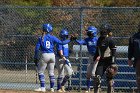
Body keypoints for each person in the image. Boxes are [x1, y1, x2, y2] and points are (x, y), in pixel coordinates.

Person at [33, 23, 70, 92]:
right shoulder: (53, 37)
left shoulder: (41, 38)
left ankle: (42, 87)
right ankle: (52, 88)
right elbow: (61, 43)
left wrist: (35, 57)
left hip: (45, 55)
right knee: (51, 72)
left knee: (40, 71)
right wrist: (70, 40)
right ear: (50, 30)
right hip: (52, 55)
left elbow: (37, 49)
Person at [93, 24, 118, 93]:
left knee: (109, 81)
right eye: (102, 30)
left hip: (109, 61)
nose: (102, 31)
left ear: (107, 31)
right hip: (101, 61)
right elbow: (97, 51)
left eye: (104, 30)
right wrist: (94, 58)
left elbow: (114, 52)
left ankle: (111, 90)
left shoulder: (110, 40)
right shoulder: (99, 40)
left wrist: (113, 63)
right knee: (97, 78)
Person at [75, 26, 98, 92]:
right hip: (91, 57)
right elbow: (80, 42)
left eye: (89, 32)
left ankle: (96, 87)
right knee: (88, 73)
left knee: (93, 73)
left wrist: (99, 55)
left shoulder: (97, 39)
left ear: (94, 32)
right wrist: (75, 40)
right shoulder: (87, 39)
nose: (88, 33)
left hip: (97, 57)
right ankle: (88, 88)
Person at [128, 23, 140, 93]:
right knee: (138, 75)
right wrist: (129, 59)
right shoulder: (134, 37)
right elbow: (131, 49)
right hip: (138, 59)